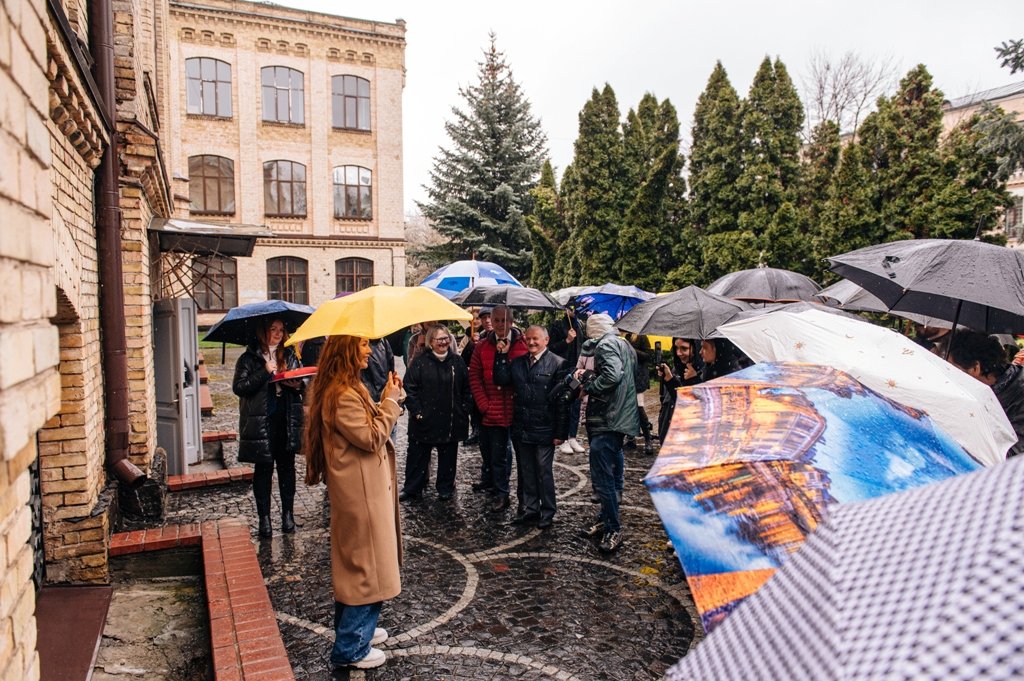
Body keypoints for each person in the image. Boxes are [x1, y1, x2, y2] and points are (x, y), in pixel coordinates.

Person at [304, 335, 404, 670]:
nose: (368, 350)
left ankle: (361, 630)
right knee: (367, 568)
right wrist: (390, 403)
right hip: (360, 494)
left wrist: (386, 399)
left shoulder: (346, 387)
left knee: (363, 564)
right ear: (345, 350)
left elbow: (366, 426)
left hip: (362, 489)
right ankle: (350, 647)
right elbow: (371, 437)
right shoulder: (343, 393)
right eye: (361, 344)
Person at [232, 318, 305, 538]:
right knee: (263, 470)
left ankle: (288, 515)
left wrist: (297, 384)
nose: (277, 334)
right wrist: (264, 372)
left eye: (281, 330)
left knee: (287, 468)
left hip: (285, 419)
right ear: (263, 332)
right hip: (262, 421)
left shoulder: (290, 355)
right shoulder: (248, 359)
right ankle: (264, 519)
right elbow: (239, 387)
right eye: (273, 329)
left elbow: (302, 381)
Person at [494, 325, 570, 529]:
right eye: (528, 339)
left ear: (546, 340)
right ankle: (529, 509)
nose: (531, 342)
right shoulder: (518, 362)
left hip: (545, 428)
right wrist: (501, 356)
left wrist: (561, 432)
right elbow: (501, 379)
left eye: (535, 339)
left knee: (543, 471)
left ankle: (547, 511)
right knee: (525, 470)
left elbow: (563, 400)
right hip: (522, 427)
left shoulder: (558, 363)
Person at [575, 313, 639, 553]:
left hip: (608, 417)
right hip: (618, 415)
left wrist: (589, 386)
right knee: (609, 472)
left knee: (602, 476)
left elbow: (613, 375)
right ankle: (605, 518)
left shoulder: (605, 345)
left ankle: (613, 528)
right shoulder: (623, 343)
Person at [401, 325, 472, 501]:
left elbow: (466, 388)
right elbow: (409, 388)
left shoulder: (457, 361)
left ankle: (445, 487)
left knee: (448, 456)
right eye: (439, 339)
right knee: (418, 456)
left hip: (450, 419)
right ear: (431, 342)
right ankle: (412, 488)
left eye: (446, 338)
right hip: (424, 419)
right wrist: (417, 412)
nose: (444, 342)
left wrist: (464, 409)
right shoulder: (419, 362)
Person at [468, 305, 527, 512]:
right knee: (495, 455)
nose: (501, 325)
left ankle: (518, 496)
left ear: (511, 322)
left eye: (505, 320)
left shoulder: (522, 345)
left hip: (516, 410)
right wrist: (484, 404)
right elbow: (474, 376)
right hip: (491, 410)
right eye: (497, 320)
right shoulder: (482, 346)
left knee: (519, 457)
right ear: (491, 322)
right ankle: (499, 489)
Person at [948, 331, 1024, 458]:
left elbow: (1008, 457)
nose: (950, 376)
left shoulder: (1018, 398)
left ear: (975, 368)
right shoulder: (989, 389)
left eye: (953, 369)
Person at [550, 304, 586, 455]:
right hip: (562, 371)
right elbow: (550, 348)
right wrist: (567, 341)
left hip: (576, 370)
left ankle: (572, 436)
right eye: (571, 308)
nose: (574, 311)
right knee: (563, 402)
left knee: (575, 402)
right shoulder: (557, 325)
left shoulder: (581, 326)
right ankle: (562, 438)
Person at [656, 338, 703, 443]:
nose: (679, 353)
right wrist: (668, 379)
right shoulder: (676, 370)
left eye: (684, 348)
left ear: (696, 349)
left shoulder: (705, 373)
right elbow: (673, 400)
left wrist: (695, 379)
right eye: (676, 348)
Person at [625, 333, 656, 455]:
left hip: (639, 377)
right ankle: (630, 438)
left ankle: (648, 439)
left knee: (639, 407)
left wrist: (632, 349)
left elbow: (648, 355)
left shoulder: (642, 336)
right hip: (628, 376)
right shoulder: (626, 337)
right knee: (627, 409)